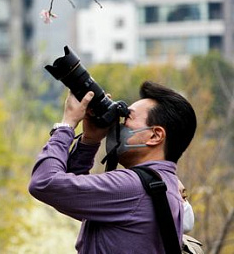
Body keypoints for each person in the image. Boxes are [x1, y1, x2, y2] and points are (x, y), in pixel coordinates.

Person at [29, 81, 197, 253]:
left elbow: (44, 182)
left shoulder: (133, 188)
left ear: (155, 135)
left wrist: (67, 124)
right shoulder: (161, 185)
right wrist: (89, 141)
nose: (118, 125)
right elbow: (71, 195)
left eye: (127, 118)